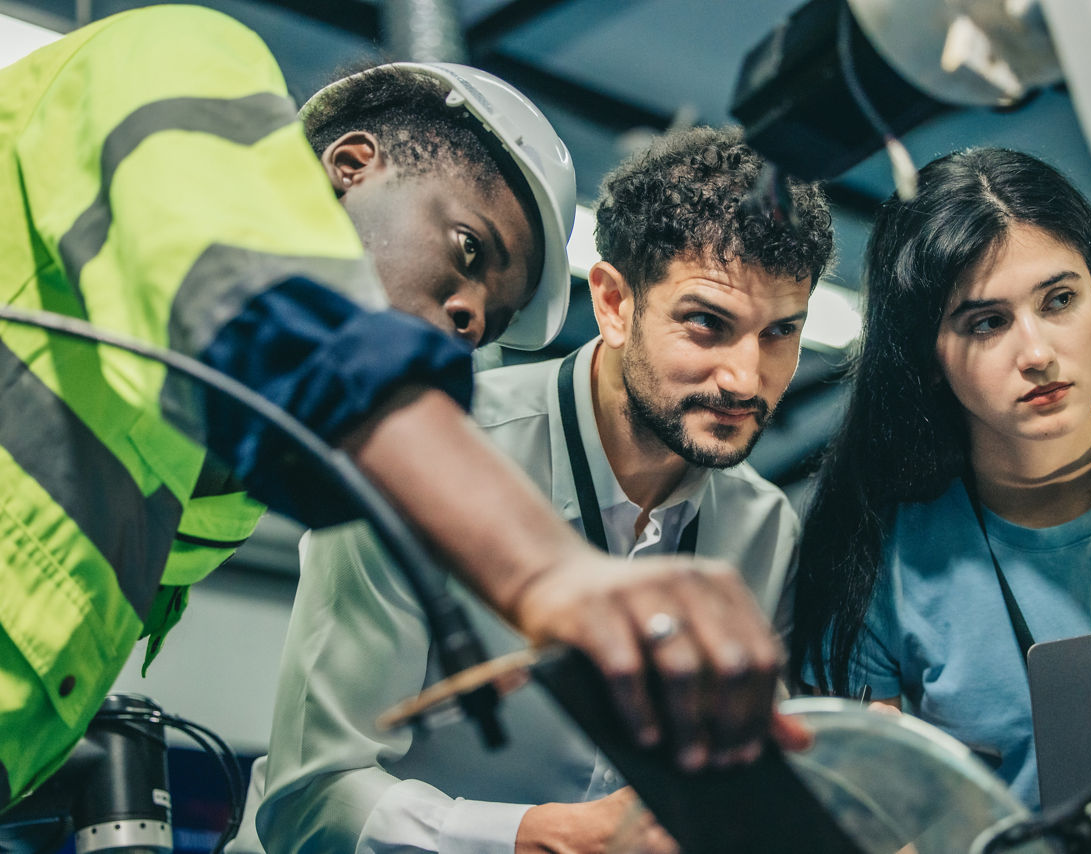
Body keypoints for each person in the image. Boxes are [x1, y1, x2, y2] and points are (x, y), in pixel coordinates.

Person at [0, 6, 799, 809]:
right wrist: (550, 573)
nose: (470, 319)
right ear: (353, 162)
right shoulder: (178, 55)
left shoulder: (221, 483)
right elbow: (265, 299)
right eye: (468, 251)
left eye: (491, 315)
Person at [230, 126, 834, 854]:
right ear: (613, 303)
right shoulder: (425, 454)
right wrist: (539, 838)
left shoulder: (765, 530)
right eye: (707, 323)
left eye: (780, 334)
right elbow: (310, 802)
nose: (744, 377)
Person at [789, 147, 1091, 808]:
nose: (1037, 353)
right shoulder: (877, 553)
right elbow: (871, 821)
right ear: (928, 354)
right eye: (987, 323)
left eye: (1060, 299)